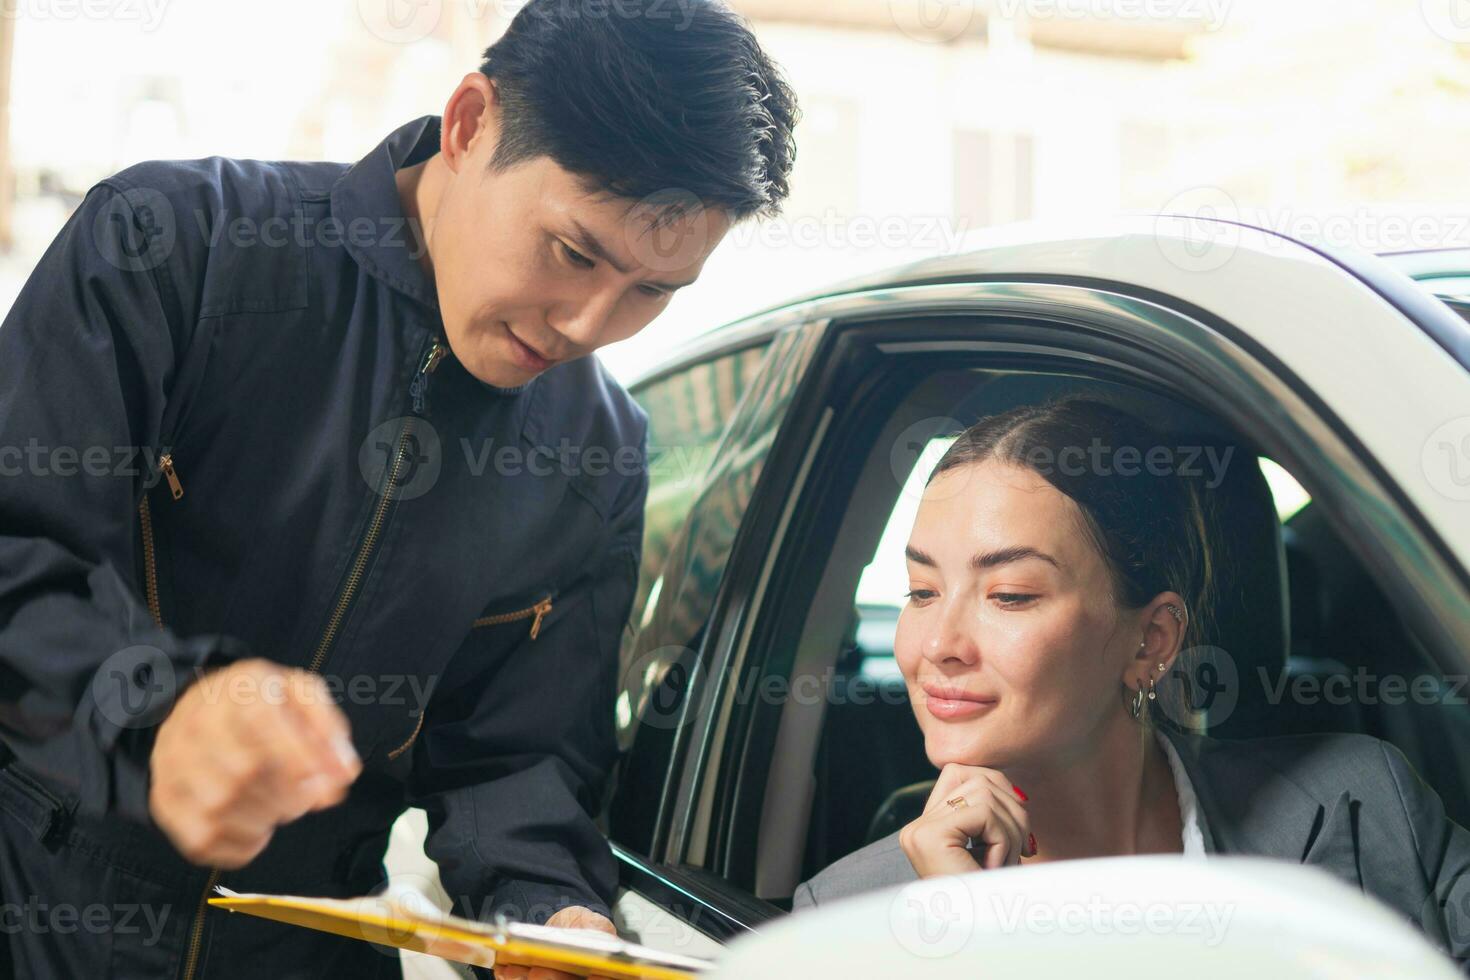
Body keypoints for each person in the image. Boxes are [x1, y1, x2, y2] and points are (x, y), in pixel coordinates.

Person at [0, 2, 797, 977]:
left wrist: (551, 908)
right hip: (41, 906)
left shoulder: (597, 448)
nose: (589, 323)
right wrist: (157, 715)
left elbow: (515, 761)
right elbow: (19, 548)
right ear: (469, 124)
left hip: (314, 941)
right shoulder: (171, 250)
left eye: (653, 289)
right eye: (575, 252)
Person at [792, 397, 1470, 969]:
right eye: (920, 591)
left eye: (1010, 594)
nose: (937, 645)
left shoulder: (1364, 804)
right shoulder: (845, 920)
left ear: (1152, 640)